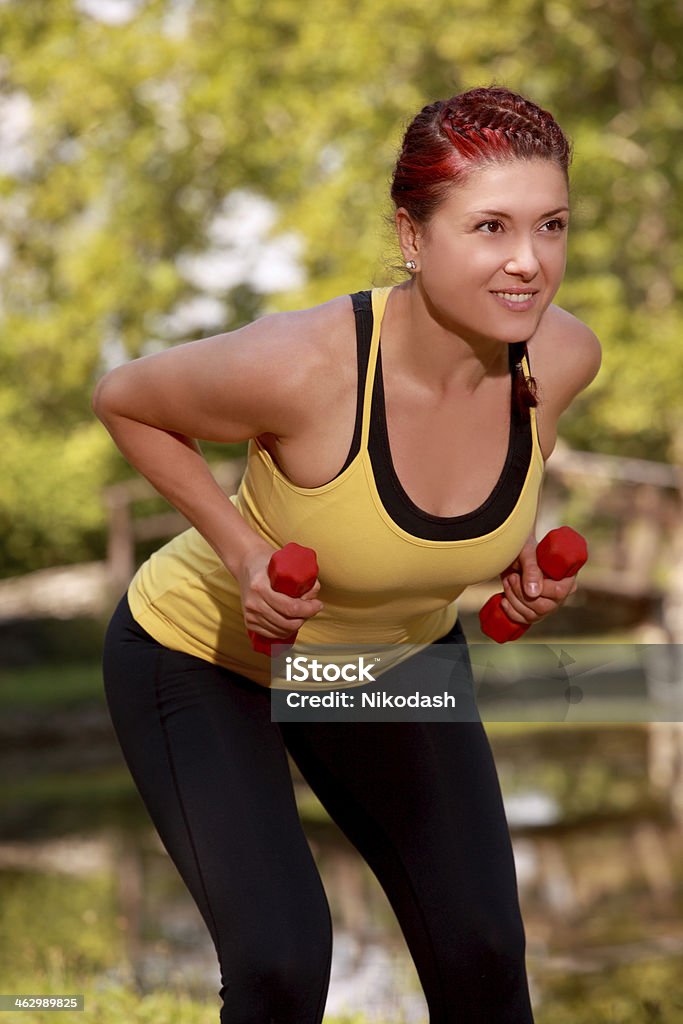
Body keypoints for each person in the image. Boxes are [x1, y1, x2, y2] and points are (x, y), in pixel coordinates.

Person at [95, 86, 601, 1023]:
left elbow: (465, 497)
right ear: (412, 239)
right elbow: (125, 397)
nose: (528, 262)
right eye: (489, 227)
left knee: (485, 956)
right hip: (206, 661)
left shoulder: (559, 357)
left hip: (386, 661)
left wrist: (513, 561)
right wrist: (245, 551)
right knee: (283, 964)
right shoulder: (303, 367)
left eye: (551, 225)